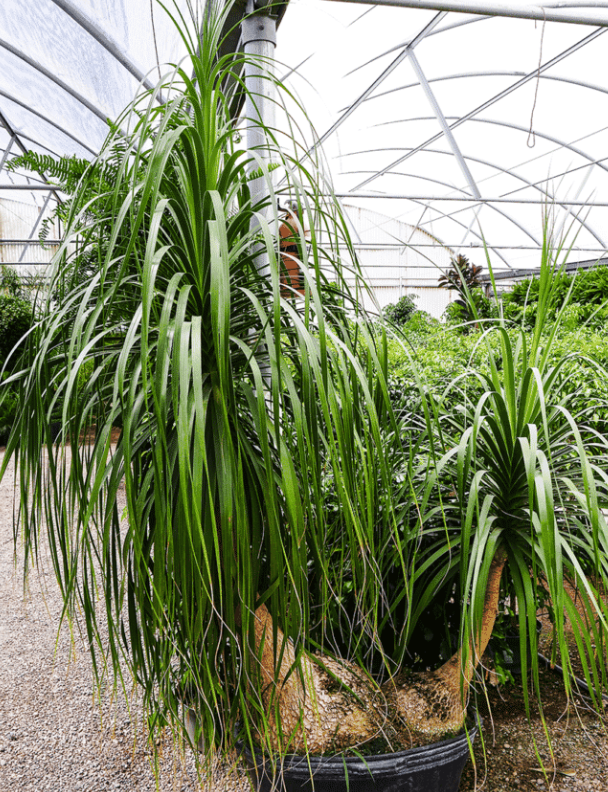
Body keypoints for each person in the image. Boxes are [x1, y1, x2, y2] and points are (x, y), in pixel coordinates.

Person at [278, 201, 305, 297]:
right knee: (291, 278)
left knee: (287, 277)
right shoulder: (295, 223)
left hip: (285, 254)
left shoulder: (285, 223)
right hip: (291, 254)